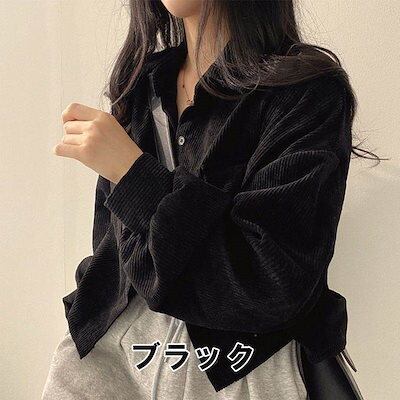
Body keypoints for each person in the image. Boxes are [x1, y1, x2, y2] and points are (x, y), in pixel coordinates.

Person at [42, 1, 379, 399]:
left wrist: (135, 177)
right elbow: (114, 250)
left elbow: (269, 281)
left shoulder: (305, 91)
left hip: (241, 367)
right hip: (110, 358)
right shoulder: (141, 86)